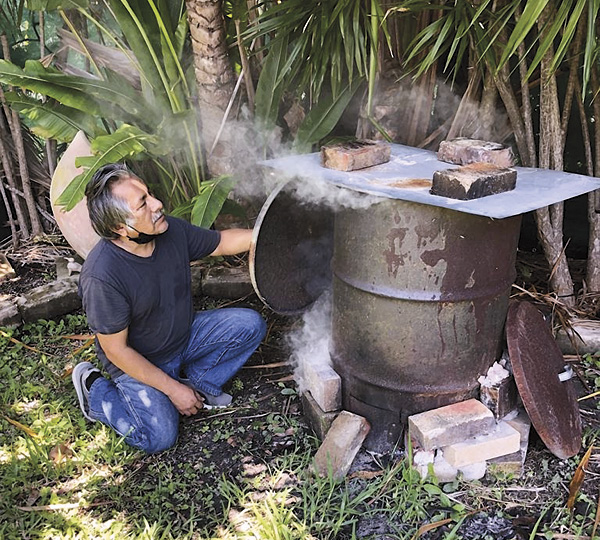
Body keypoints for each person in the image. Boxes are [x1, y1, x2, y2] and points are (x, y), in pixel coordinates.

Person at [71, 163, 266, 453]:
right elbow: (116, 350)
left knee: (249, 325)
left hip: (183, 337)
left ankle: (197, 384)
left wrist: (265, 235)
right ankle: (96, 391)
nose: (157, 204)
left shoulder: (169, 230)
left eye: (150, 194)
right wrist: (172, 390)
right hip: (138, 363)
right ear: (120, 227)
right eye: (143, 204)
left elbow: (220, 242)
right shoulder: (103, 276)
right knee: (159, 436)